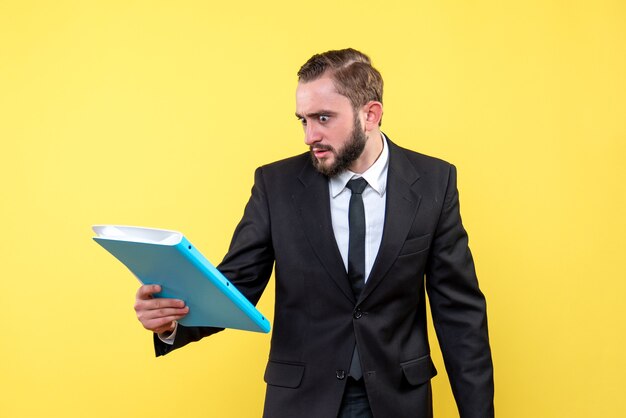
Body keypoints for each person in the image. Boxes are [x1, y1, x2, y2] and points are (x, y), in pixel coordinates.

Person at [134, 48, 494, 418]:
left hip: (397, 400)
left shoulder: (434, 181)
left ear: (370, 115)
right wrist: (172, 321)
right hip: (302, 402)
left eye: (323, 118)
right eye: (303, 120)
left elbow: (459, 313)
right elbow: (237, 285)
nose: (310, 136)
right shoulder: (275, 185)